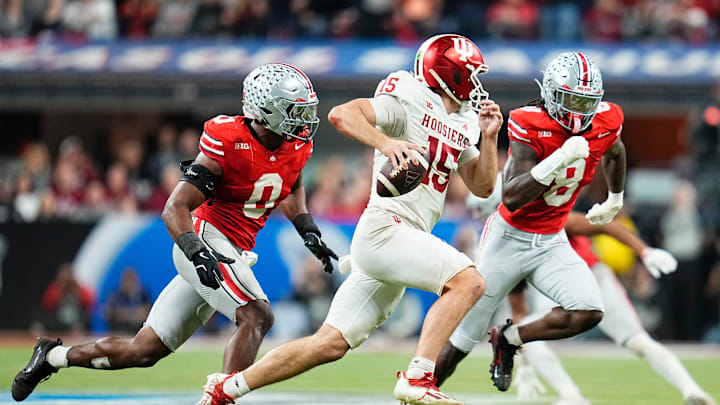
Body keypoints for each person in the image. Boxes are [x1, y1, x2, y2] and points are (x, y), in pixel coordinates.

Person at [196, 33, 502, 405]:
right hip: (386, 230)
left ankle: (225, 389)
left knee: (329, 343)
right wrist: (387, 144)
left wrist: (489, 138)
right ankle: (419, 377)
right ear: (448, 75)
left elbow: (483, 186)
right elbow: (342, 114)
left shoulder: (466, 119)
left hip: (404, 239)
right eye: (470, 74)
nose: (476, 83)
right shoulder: (409, 95)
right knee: (468, 282)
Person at [11, 63, 338, 402]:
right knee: (256, 315)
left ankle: (51, 356)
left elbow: (290, 184)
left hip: (232, 250)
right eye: (294, 110)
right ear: (265, 109)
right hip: (205, 238)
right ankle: (219, 398)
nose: (304, 119)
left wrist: (307, 229)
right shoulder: (229, 140)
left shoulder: (295, 147)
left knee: (144, 350)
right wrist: (196, 253)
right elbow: (174, 208)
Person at [434, 51, 627, 392]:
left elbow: (615, 149)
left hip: (552, 240)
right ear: (552, 93)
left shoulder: (606, 119)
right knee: (463, 339)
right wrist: (560, 158)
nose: (580, 112)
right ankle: (418, 392)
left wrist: (615, 197)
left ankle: (510, 338)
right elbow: (511, 195)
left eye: (587, 103)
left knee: (589, 310)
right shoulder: (528, 121)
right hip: (509, 237)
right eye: (571, 100)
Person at [511, 213, 718, 405]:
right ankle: (571, 396)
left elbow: (606, 226)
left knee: (638, 341)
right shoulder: (511, 249)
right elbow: (519, 312)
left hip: (591, 279)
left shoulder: (546, 221)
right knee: (523, 332)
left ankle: (691, 389)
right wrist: (525, 363)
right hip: (565, 290)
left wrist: (644, 251)